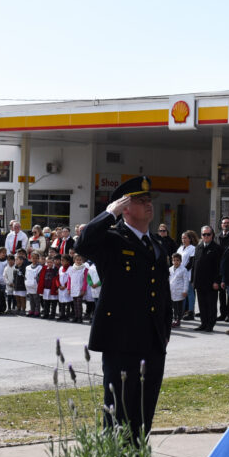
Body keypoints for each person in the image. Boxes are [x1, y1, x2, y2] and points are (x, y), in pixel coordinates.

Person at [75, 175, 172, 441]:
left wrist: (164, 333)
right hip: (121, 344)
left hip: (152, 345)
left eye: (149, 200)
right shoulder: (113, 240)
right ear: (125, 208)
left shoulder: (156, 245)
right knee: (117, 417)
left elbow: (162, 294)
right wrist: (110, 213)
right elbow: (82, 244)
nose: (149, 205)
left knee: (143, 417)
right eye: (141, 201)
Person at [191, 225, 223, 332]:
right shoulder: (198, 247)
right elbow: (194, 265)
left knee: (211, 305)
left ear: (212, 235)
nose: (206, 236)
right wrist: (193, 281)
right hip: (199, 282)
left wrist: (216, 281)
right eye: (204, 234)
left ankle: (210, 324)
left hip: (211, 283)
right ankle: (203, 323)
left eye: (208, 234)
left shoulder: (217, 248)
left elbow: (219, 267)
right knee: (202, 304)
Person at [216, 217, 229, 321]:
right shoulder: (217, 237)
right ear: (221, 225)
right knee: (221, 292)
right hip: (219, 267)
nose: (226, 225)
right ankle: (222, 313)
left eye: (228, 223)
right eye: (224, 223)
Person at [176, 230, 196, 320]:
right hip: (179, 274)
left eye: (185, 238)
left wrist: (182, 270)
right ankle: (181, 311)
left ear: (190, 239)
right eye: (182, 238)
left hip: (187, 274)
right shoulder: (180, 248)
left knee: (189, 293)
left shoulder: (192, 248)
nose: (183, 240)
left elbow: (191, 262)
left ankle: (191, 312)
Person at [168, 253, 189, 328]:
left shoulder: (183, 269)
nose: (175, 262)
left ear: (180, 261)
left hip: (180, 291)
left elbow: (186, 281)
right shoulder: (170, 269)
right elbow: (169, 280)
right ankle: (173, 318)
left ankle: (178, 320)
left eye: (177, 260)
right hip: (172, 290)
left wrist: (185, 291)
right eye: (174, 260)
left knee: (179, 306)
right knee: (173, 306)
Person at [68, 252, 89, 323]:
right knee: (75, 304)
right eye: (77, 260)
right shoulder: (71, 269)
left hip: (80, 288)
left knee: (79, 304)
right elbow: (69, 279)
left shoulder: (84, 269)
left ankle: (80, 317)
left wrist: (84, 289)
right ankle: (76, 316)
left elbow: (86, 280)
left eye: (80, 260)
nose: (79, 261)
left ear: (82, 260)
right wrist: (68, 288)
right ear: (74, 260)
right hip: (73, 288)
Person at [55, 253, 74, 322]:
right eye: (61, 260)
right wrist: (59, 286)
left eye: (63, 260)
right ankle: (62, 315)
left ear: (68, 261)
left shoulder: (71, 269)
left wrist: (65, 286)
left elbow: (71, 279)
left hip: (67, 287)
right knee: (62, 302)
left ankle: (67, 315)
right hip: (61, 288)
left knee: (68, 301)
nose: (61, 262)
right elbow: (57, 278)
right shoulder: (60, 268)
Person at [24, 252, 43, 317]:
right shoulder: (27, 267)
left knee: (36, 300)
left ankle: (37, 311)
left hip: (35, 286)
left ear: (38, 259)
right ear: (30, 258)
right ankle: (32, 310)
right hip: (29, 285)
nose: (34, 259)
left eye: (36, 258)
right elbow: (26, 276)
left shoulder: (40, 267)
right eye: (33, 258)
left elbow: (39, 277)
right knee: (31, 299)